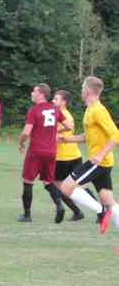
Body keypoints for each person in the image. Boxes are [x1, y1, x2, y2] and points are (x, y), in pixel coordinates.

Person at [59, 76, 119, 234]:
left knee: (66, 187)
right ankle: (104, 208)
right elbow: (87, 136)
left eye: (82, 88)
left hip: (99, 162)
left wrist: (100, 155)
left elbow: (116, 135)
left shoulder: (98, 111)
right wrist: (67, 139)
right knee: (109, 200)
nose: (81, 91)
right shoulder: (90, 110)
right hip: (102, 162)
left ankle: (101, 211)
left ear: (87, 90)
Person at [17, 83, 71, 223]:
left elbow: (26, 132)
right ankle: (59, 206)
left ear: (41, 94)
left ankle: (27, 215)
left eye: (34, 91)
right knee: (48, 181)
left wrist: (21, 143)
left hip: (36, 150)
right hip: (51, 151)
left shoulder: (34, 110)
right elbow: (69, 126)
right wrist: (54, 131)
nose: (31, 93)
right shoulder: (55, 109)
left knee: (28, 181)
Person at [53, 89, 87, 221]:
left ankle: (98, 210)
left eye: (56, 99)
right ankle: (81, 212)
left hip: (66, 157)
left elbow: (70, 127)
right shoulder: (56, 114)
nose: (53, 101)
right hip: (66, 156)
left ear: (64, 102)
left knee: (60, 188)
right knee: (67, 187)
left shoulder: (64, 115)